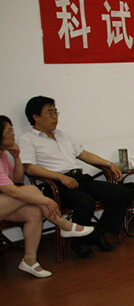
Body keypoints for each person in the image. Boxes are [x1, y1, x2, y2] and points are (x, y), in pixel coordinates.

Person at [18, 97, 131, 258]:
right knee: (85, 201)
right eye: (50, 113)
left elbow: (83, 155)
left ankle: (98, 234)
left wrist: (108, 164)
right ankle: (80, 243)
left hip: (79, 179)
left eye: (56, 112)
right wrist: (59, 177)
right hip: (55, 185)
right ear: (35, 116)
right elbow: (29, 168)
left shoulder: (62, 135)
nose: (55, 117)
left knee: (121, 193)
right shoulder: (27, 139)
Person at [1, 116, 94, 278]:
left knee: (34, 212)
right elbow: (12, 191)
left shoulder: (3, 155)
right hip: (5, 198)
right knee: (32, 191)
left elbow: (17, 179)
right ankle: (64, 224)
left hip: (4, 202)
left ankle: (29, 260)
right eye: (9, 131)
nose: (13, 134)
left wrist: (16, 157)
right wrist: (46, 200)